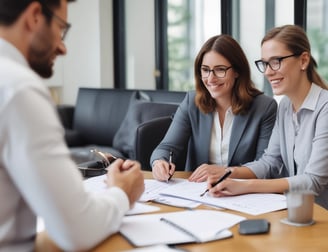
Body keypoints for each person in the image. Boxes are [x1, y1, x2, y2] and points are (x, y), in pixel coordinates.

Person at [0, 0, 144, 251]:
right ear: (35, 16)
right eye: (61, 28)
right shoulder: (19, 89)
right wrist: (122, 192)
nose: (63, 47)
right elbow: (77, 230)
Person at [207, 24, 328, 210]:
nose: (268, 72)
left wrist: (246, 186)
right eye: (264, 63)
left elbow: (314, 181)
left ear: (303, 60)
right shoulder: (286, 106)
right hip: (295, 213)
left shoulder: (325, 108)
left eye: (276, 61)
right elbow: (270, 162)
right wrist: (228, 173)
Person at [151, 34, 277, 182]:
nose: (211, 79)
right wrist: (159, 163)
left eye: (220, 70)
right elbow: (166, 147)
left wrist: (225, 172)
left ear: (237, 71)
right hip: (197, 191)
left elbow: (264, 166)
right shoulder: (192, 102)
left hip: (242, 193)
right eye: (205, 70)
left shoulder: (264, 107)